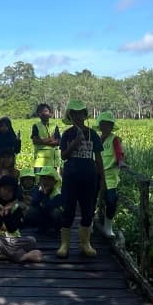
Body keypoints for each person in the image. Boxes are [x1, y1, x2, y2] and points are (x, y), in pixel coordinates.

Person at [57, 98, 104, 258]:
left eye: (80, 114)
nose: (78, 117)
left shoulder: (93, 135)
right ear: (70, 116)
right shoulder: (67, 134)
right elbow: (63, 156)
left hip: (89, 177)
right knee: (68, 210)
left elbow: (98, 158)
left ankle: (85, 243)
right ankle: (65, 244)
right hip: (71, 177)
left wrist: (102, 179)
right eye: (74, 114)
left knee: (88, 211)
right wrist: (75, 143)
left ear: (85, 115)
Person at [0, 175, 43, 264]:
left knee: (32, 241)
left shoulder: (16, 207)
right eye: (4, 189)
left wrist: (7, 212)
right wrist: (1, 212)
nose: (7, 192)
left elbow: (12, 228)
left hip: (13, 239)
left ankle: (1, 255)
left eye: (10, 190)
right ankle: (22, 256)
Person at [95, 111, 126, 238]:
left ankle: (108, 227)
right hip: (96, 174)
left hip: (110, 176)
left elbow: (119, 153)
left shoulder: (115, 139)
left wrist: (121, 162)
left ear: (112, 126)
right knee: (92, 199)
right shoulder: (97, 139)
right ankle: (90, 223)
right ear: (100, 126)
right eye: (104, 124)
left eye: (109, 124)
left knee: (111, 201)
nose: (106, 127)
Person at [25, 164, 65, 233]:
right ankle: (42, 227)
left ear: (55, 181)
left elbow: (48, 207)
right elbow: (34, 202)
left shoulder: (58, 193)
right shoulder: (40, 190)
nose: (45, 181)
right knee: (31, 211)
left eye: (49, 179)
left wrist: (45, 195)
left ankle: (56, 229)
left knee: (55, 212)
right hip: (44, 218)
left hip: (55, 220)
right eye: (43, 178)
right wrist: (42, 193)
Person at [30, 102, 62, 171]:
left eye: (46, 111)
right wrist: (50, 139)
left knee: (53, 180)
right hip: (40, 162)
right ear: (38, 114)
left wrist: (43, 141)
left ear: (50, 113)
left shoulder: (55, 126)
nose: (44, 113)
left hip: (53, 162)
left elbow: (59, 142)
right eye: (41, 111)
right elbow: (35, 141)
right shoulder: (36, 126)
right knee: (39, 181)